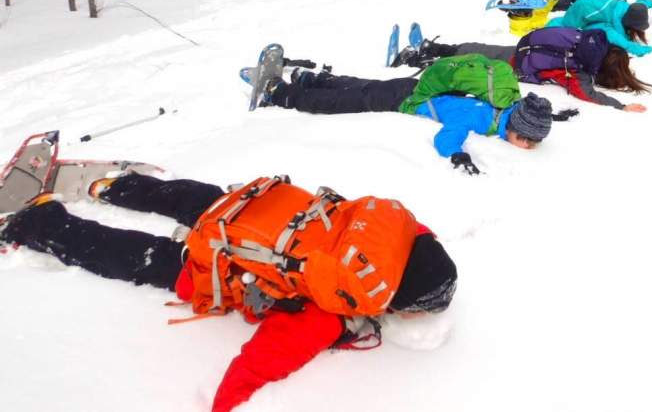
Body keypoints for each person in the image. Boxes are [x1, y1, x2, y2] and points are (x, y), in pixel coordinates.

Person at [0, 172, 457, 412]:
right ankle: (40, 223)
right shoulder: (335, 306)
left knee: (195, 199)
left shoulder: (400, 231)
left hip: (260, 203)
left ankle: (113, 186)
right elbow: (262, 360)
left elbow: (418, 237)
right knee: (142, 257)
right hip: (223, 263)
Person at [261, 68, 556, 175]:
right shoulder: (481, 118)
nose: (528, 146)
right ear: (514, 127)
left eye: (533, 142)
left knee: (364, 87)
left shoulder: (507, 107)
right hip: (405, 100)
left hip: (415, 89)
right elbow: (446, 137)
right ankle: (282, 94)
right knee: (345, 102)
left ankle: (313, 78)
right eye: (526, 139)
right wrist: (457, 154)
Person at [390, 28, 652, 112]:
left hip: (521, 49)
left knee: (477, 48)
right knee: (469, 63)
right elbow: (586, 94)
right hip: (516, 67)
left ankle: (433, 49)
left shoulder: (586, 40)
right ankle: (417, 59)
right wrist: (620, 106)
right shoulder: (579, 69)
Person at [547, 0, 652, 57]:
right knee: (566, 32)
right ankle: (547, 30)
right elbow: (627, 45)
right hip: (579, 12)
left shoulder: (626, 8)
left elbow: (640, 4)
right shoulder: (608, 27)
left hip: (594, 5)